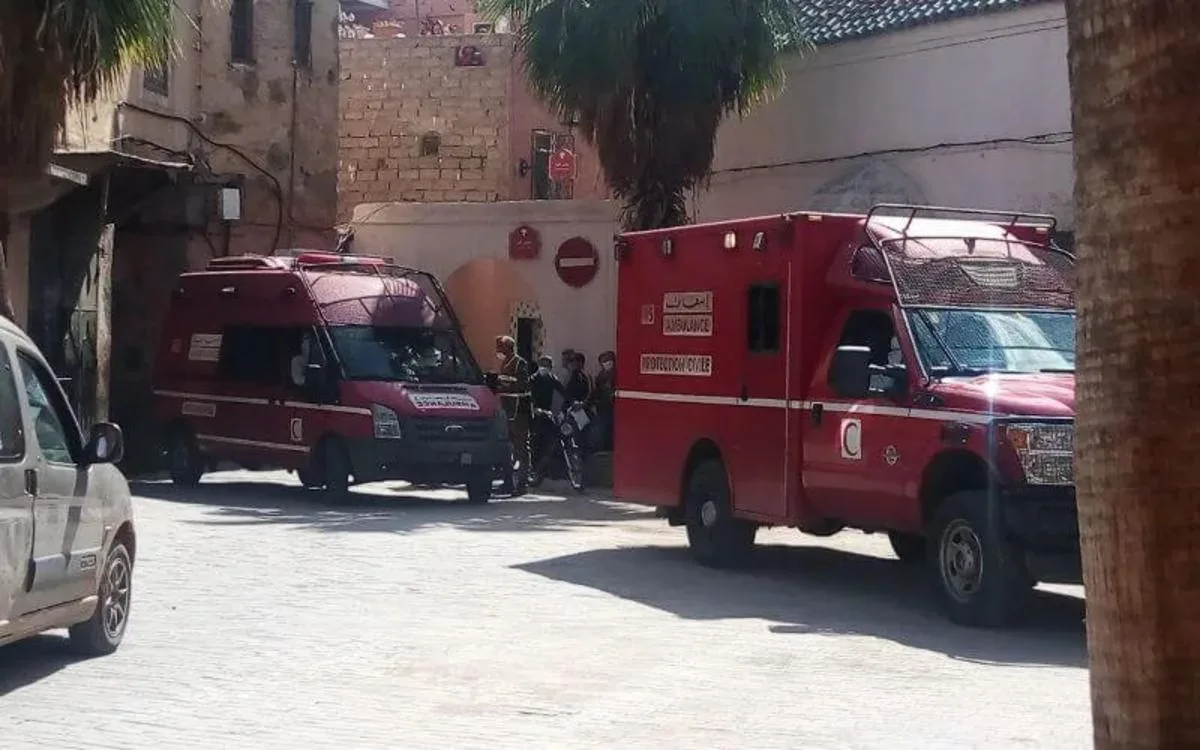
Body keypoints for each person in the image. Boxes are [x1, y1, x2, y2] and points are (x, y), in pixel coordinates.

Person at [494, 335, 530, 495]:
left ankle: (522, 483)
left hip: (519, 411)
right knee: (507, 448)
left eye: (500, 346)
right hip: (507, 410)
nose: (497, 350)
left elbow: (523, 386)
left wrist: (503, 387)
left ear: (508, 347)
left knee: (521, 448)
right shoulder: (504, 363)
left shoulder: (519, 363)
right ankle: (508, 482)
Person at [528, 355, 566, 484]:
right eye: (542, 365)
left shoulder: (552, 379)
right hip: (536, 415)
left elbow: (563, 393)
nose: (544, 368)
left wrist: (565, 408)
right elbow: (529, 397)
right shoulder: (533, 379)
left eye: (547, 365)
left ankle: (542, 471)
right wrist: (534, 409)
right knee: (535, 444)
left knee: (551, 443)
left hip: (548, 415)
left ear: (551, 367)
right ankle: (533, 471)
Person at [589, 350, 616, 451]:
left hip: (614, 409)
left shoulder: (619, 374)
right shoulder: (601, 375)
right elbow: (596, 392)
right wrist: (587, 403)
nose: (607, 363)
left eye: (609, 360)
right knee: (603, 433)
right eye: (604, 361)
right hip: (603, 409)